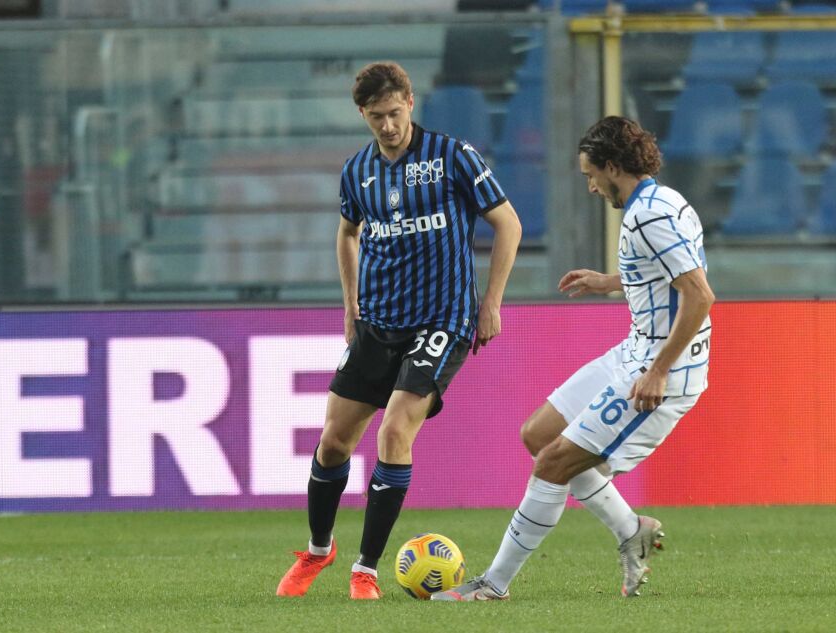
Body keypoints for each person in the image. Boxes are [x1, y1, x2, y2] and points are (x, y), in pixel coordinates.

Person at [432, 115, 714, 601]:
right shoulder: (662, 202)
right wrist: (611, 281)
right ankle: (632, 530)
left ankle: (493, 585)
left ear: (611, 166)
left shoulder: (650, 214)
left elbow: (700, 295)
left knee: (553, 463)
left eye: (591, 176)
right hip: (634, 350)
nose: (590, 187)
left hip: (660, 368)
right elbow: (667, 273)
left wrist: (659, 370)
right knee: (539, 435)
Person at [276, 61, 522, 600]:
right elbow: (347, 234)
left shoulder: (454, 157)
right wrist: (350, 305)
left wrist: (492, 303)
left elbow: (508, 223)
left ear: (411, 101)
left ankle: (365, 569)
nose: (387, 126)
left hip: (443, 319)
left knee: (393, 431)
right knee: (334, 441)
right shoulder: (357, 172)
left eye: (394, 113)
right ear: (361, 114)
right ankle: (319, 550)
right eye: (375, 117)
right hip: (378, 322)